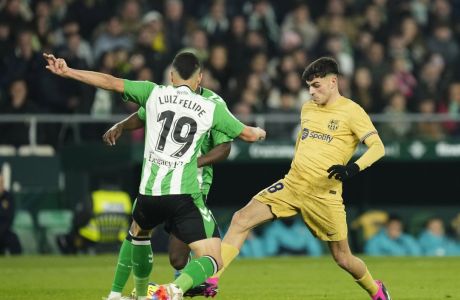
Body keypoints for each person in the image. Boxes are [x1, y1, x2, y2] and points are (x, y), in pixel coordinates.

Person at [43, 51, 266, 300]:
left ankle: (130, 294)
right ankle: (174, 290)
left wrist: (68, 71)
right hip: (183, 194)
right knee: (214, 259)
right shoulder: (209, 107)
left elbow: (110, 81)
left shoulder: (154, 93)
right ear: (199, 78)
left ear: (171, 76)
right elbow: (246, 135)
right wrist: (259, 132)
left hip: (148, 194)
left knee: (139, 234)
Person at [211, 57, 391, 300]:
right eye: (308, 86)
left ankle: (376, 291)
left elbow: (378, 147)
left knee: (343, 258)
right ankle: (212, 280)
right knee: (241, 219)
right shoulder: (307, 108)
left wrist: (352, 168)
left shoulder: (352, 111)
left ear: (333, 82)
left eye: (316, 85)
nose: (311, 91)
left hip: (323, 194)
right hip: (293, 184)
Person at [102, 85, 234, 299]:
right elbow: (143, 114)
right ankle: (119, 294)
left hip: (193, 187)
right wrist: (122, 126)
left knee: (178, 259)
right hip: (162, 182)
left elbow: (225, 147)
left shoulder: (213, 104)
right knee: (138, 229)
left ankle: (173, 287)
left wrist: (192, 163)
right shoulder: (167, 97)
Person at [0, 172, 22, 255]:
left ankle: (18, 262)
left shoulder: (8, 197)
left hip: (3, 232)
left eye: (1, 183)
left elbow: (9, 218)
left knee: (13, 239)